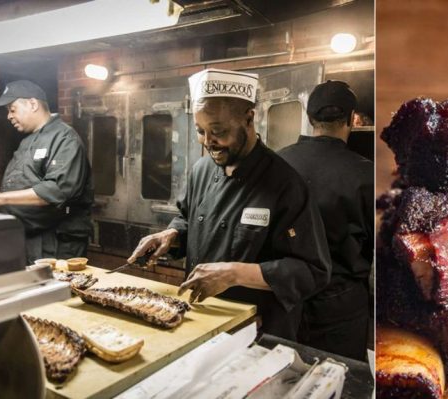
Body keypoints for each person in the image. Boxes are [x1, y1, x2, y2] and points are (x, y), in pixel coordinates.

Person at [128, 69, 331, 340]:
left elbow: (312, 271)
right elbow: (190, 219)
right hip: (199, 319)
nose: (208, 142)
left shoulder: (285, 184)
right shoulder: (201, 170)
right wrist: (171, 235)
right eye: (200, 131)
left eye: (218, 131)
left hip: (257, 330)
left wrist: (234, 273)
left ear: (249, 118)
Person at [278, 80, 373, 360]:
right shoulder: (364, 173)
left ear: (309, 119)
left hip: (286, 299)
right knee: (338, 382)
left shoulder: (277, 164)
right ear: (352, 119)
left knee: (285, 380)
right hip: (340, 305)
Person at [0, 80, 93, 263]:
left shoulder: (64, 138)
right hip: (29, 236)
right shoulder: (28, 141)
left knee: (58, 290)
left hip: (56, 240)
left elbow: (58, 190)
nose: (9, 116)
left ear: (32, 104)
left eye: (12, 109)